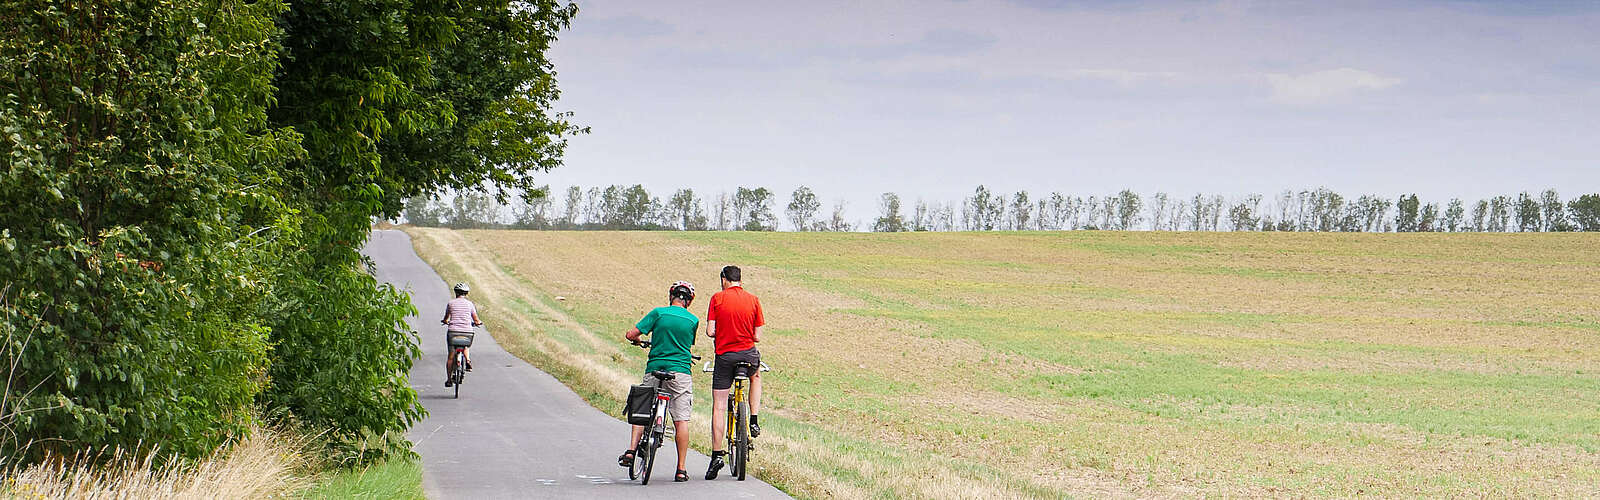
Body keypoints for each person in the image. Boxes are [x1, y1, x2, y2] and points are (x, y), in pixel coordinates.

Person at [618, 281, 700, 483]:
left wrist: (637, 341)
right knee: (681, 420)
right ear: (688, 301)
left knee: (642, 408)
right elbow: (686, 344)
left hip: (655, 368)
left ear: (671, 296)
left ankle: (631, 450)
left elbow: (631, 334)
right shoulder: (693, 320)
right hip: (680, 372)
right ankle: (681, 469)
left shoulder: (658, 313)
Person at [703, 265, 765, 480]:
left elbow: (710, 331)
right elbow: (757, 336)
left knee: (719, 405)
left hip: (725, 356)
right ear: (740, 279)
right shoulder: (754, 299)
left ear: (723, 279)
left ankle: (716, 455)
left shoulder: (717, 298)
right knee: (756, 376)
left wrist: (724, 332)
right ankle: (754, 418)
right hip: (748, 355)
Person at [441, 282, 482, 387]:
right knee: (466, 345)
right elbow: (476, 319)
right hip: (467, 332)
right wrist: (477, 323)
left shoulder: (451, 303)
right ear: (466, 293)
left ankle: (449, 380)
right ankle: (467, 360)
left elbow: (446, 317)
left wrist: (445, 321)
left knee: (450, 356)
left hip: (453, 332)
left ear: (455, 292)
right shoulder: (470, 304)